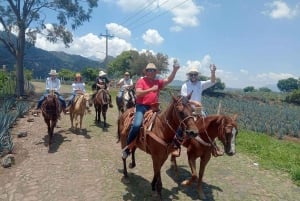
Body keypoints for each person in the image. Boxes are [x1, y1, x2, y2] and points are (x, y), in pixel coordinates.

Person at [122, 62, 180, 159]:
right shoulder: (141, 81)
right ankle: (128, 148)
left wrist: (174, 70)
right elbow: (138, 93)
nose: (151, 72)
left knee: (168, 123)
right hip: (142, 107)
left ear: (155, 72)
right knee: (136, 125)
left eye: (153, 70)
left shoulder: (157, 82)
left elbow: (168, 80)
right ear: (146, 72)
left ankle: (172, 145)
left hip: (154, 107)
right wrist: (151, 89)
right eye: (149, 70)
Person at [174, 64, 223, 157]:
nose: (193, 76)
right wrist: (195, 102)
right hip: (187, 108)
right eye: (191, 74)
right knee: (181, 125)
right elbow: (184, 99)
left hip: (198, 109)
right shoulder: (185, 85)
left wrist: (213, 72)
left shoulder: (200, 84)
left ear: (197, 75)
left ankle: (214, 146)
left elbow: (212, 81)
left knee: (208, 124)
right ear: (189, 75)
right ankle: (176, 146)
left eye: (195, 74)